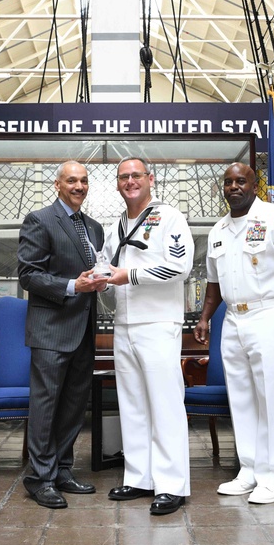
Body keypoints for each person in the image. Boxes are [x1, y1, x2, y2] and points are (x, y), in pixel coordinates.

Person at [193, 162, 274, 505]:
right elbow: (214, 285)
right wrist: (205, 319)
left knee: (273, 398)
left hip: (273, 314)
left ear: (255, 184)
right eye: (228, 182)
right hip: (233, 319)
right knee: (242, 398)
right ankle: (249, 470)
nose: (234, 187)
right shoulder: (218, 229)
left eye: (240, 181)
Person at [102, 157, 194, 516]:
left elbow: (178, 266)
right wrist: (100, 280)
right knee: (133, 404)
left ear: (150, 179)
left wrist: (129, 276)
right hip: (124, 324)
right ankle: (140, 477)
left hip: (158, 323)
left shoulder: (169, 217)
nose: (129, 182)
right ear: (117, 184)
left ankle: (172, 485)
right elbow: (109, 269)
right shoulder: (116, 226)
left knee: (165, 405)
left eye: (135, 175)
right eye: (123, 177)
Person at [17, 160, 107, 509]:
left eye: (84, 181)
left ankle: (62, 470)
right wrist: (73, 285)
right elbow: (28, 275)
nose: (79, 186)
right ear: (58, 184)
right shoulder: (40, 220)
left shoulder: (94, 228)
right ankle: (39, 478)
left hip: (84, 329)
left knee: (73, 406)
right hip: (51, 330)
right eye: (72, 180)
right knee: (46, 405)